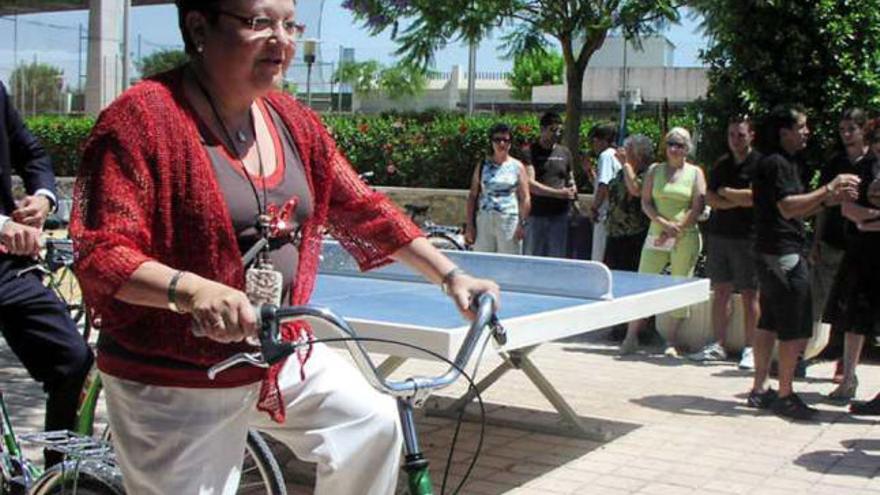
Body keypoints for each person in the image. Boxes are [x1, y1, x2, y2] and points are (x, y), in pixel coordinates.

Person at [69, 1, 500, 493]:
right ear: (198, 27)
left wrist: (450, 275)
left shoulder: (291, 119)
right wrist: (190, 291)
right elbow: (101, 252)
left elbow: (362, 207)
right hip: (173, 376)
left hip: (274, 350)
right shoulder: (142, 118)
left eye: (289, 24)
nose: (282, 40)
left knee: (371, 422)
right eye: (259, 23)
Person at [0, 81, 94, 467]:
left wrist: (43, 197)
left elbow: (31, 151)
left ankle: (61, 477)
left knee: (74, 362)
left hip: (6, 269)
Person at [746, 105, 859, 421]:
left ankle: (760, 389)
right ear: (785, 133)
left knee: (769, 319)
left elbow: (797, 209)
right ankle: (785, 394)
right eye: (802, 126)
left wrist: (827, 199)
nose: (807, 131)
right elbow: (786, 208)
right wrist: (828, 189)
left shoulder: (781, 162)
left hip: (771, 250)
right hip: (781, 253)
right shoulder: (777, 163)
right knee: (795, 325)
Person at [619, 128, 706, 357]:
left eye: (679, 144)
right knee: (642, 283)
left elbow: (697, 206)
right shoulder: (654, 171)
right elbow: (646, 202)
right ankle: (631, 336)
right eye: (670, 143)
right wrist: (663, 225)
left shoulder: (696, 173)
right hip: (657, 234)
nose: (674, 148)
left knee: (679, 283)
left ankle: (671, 340)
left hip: (684, 236)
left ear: (687, 148)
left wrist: (676, 228)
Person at [688, 116, 761, 369]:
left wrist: (728, 194)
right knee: (721, 291)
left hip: (748, 237)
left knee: (751, 294)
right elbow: (709, 196)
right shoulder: (722, 164)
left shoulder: (760, 164)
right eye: (731, 135)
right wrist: (735, 199)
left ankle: (751, 349)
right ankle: (717, 344)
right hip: (720, 236)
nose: (735, 140)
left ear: (751, 135)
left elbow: (756, 198)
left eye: (740, 135)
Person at [823, 117, 880, 403]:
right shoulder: (862, 169)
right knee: (853, 319)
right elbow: (848, 210)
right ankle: (847, 380)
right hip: (861, 253)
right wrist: (871, 219)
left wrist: (869, 220)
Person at [812, 109, 871, 383]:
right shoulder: (835, 163)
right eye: (843, 129)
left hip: (863, 246)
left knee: (855, 309)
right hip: (834, 241)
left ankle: (844, 368)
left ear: (863, 130)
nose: (846, 135)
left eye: (851, 129)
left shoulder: (873, 162)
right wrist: (816, 241)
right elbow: (822, 207)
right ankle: (813, 353)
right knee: (828, 304)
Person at [465, 122, 530, 254]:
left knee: (508, 264)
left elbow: (525, 197)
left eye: (505, 140)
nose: (501, 144)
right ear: (491, 142)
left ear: (510, 143)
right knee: (483, 262)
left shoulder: (517, 167)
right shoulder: (483, 164)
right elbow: (473, 195)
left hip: (508, 221)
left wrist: (522, 224)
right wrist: (470, 225)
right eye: (497, 140)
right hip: (485, 220)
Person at [522, 111, 577, 258]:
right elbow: (530, 184)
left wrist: (572, 189)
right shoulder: (529, 152)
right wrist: (558, 193)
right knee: (534, 257)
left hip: (560, 215)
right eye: (553, 130)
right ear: (542, 129)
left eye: (559, 130)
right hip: (537, 215)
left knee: (556, 259)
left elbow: (570, 178)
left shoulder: (565, 152)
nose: (557, 134)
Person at [604, 134, 652, 271]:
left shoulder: (647, 173)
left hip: (634, 234)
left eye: (628, 150)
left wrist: (625, 164)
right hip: (615, 233)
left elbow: (636, 190)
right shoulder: (622, 172)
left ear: (638, 154)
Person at [587, 123, 623, 263]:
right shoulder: (616, 155)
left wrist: (594, 207)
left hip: (604, 214)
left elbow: (604, 185)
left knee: (599, 256)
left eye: (593, 141)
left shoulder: (605, 156)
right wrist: (589, 171)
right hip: (613, 213)